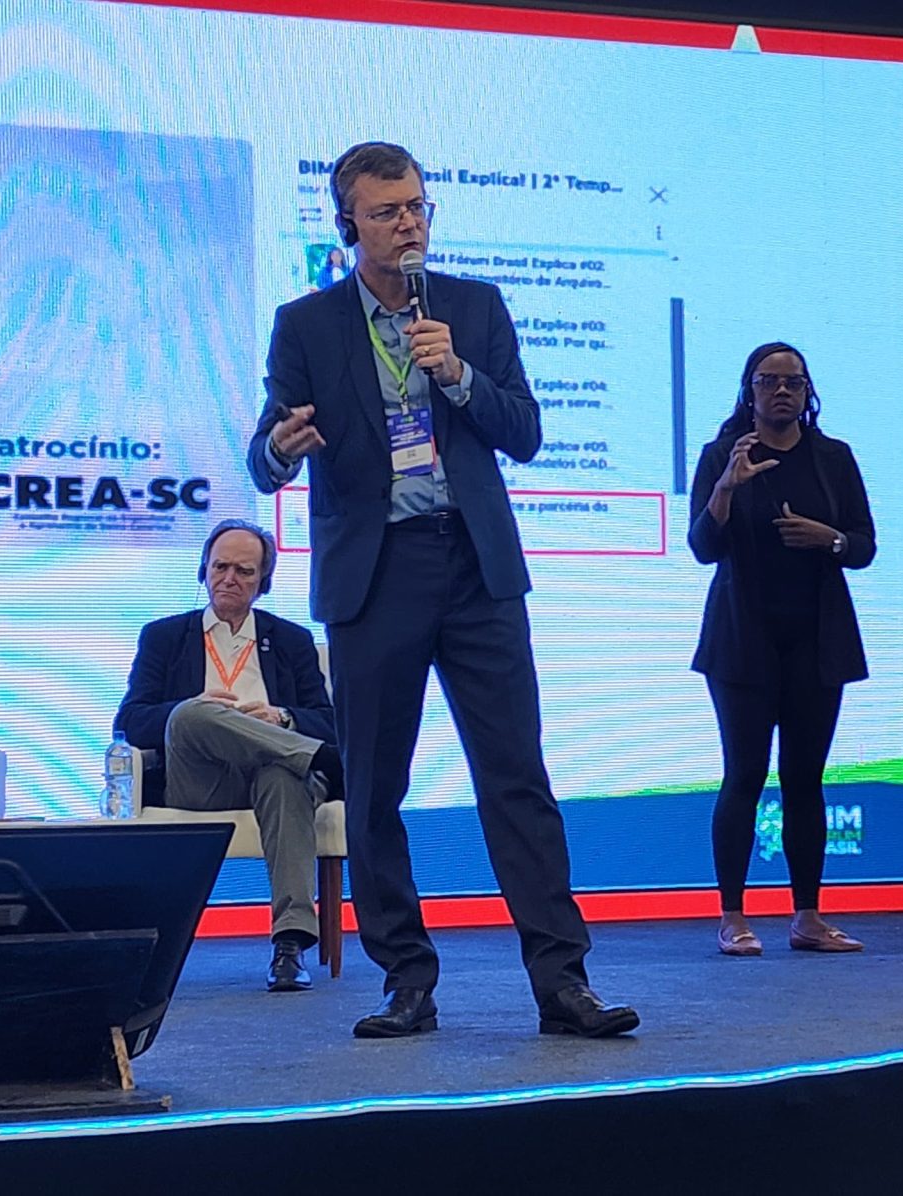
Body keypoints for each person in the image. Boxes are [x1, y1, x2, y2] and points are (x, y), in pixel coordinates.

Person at [248, 141, 637, 1039]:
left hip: (475, 567)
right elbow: (265, 453)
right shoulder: (305, 325)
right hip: (376, 573)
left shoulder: (474, 307)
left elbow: (526, 433)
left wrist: (459, 376)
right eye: (387, 212)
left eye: (418, 206)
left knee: (516, 778)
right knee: (374, 789)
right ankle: (406, 980)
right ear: (348, 226)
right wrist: (280, 449)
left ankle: (562, 981)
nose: (409, 224)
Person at [687, 342, 876, 956]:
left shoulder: (833, 458)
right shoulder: (722, 455)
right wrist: (726, 487)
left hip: (817, 640)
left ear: (807, 392)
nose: (782, 391)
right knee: (744, 773)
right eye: (768, 381)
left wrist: (830, 538)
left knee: (804, 778)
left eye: (793, 381)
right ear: (749, 392)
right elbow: (702, 548)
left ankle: (807, 917)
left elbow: (864, 545)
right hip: (742, 639)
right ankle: (732, 916)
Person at [114, 520, 342, 992]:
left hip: (273, 773)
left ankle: (290, 945)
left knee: (283, 776)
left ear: (264, 581)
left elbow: (329, 718)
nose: (229, 579)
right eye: (220, 567)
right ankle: (321, 759)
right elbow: (131, 721)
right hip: (200, 779)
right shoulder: (164, 637)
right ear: (203, 570)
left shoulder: (291, 640)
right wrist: (196, 711)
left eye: (244, 571)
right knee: (192, 714)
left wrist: (282, 717)